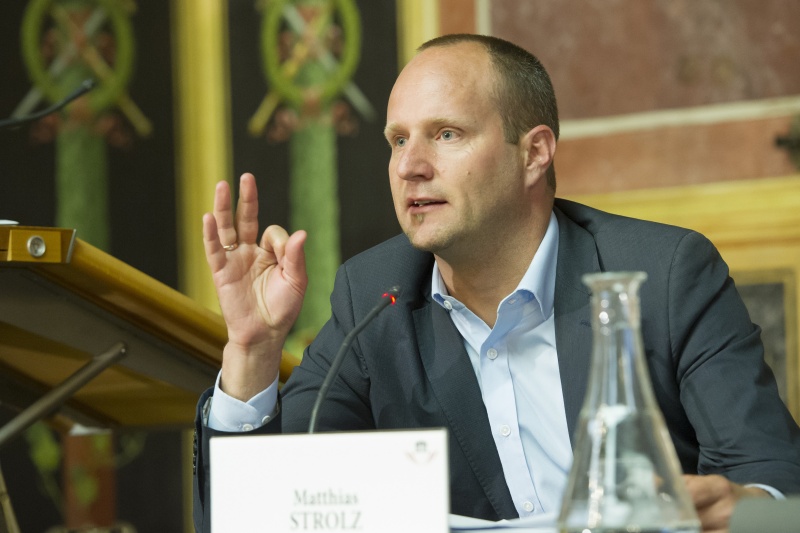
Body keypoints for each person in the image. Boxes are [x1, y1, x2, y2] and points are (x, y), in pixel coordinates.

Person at [193, 34, 800, 532]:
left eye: (446, 134)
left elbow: (773, 482)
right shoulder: (375, 296)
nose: (409, 165)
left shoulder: (664, 273)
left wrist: (745, 513)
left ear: (534, 152)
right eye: (398, 139)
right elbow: (259, 515)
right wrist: (252, 350)